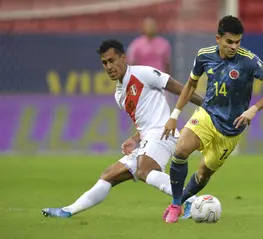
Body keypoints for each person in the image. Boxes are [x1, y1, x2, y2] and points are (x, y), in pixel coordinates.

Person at [42, 39, 203, 218]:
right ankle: (68, 211)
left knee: (145, 170)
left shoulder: (144, 73)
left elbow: (182, 89)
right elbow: (144, 123)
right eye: (104, 63)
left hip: (163, 133)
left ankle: (193, 200)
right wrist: (135, 139)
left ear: (123, 58)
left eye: (112, 60)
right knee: (109, 175)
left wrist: (208, 105)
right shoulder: (119, 95)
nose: (109, 66)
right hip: (149, 137)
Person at [161, 15, 263, 223]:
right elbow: (190, 85)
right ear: (218, 38)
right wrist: (174, 115)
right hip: (207, 114)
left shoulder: (249, 60)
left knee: (202, 175)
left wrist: (253, 109)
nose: (234, 46)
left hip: (231, 130)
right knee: (180, 149)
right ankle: (174, 204)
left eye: (238, 42)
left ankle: (182, 202)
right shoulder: (204, 56)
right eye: (229, 42)